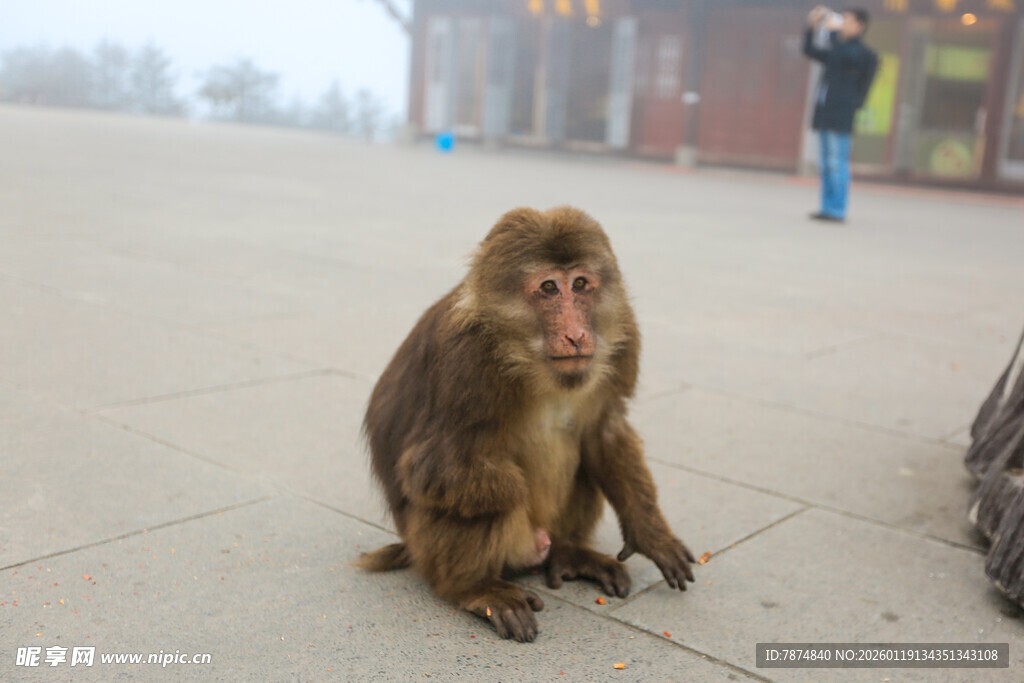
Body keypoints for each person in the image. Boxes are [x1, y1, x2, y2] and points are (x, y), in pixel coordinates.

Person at [802, 6, 878, 223]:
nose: (842, 24)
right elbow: (809, 50)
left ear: (860, 26)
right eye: (841, 20)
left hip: (842, 115)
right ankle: (826, 207)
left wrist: (834, 32)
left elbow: (847, 56)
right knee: (826, 164)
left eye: (847, 21)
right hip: (825, 113)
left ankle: (837, 209)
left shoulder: (862, 53)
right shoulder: (838, 50)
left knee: (837, 163)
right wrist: (812, 27)